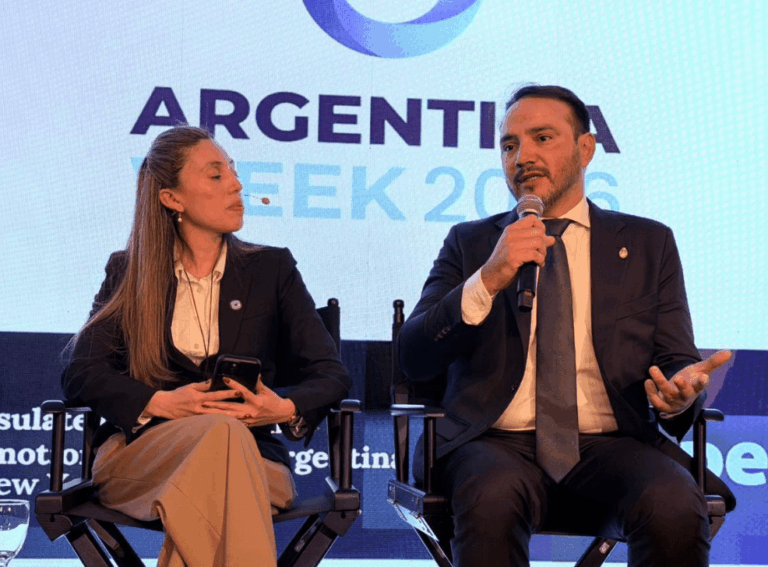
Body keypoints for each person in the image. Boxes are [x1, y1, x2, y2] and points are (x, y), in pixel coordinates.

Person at [398, 85, 735, 567]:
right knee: (491, 495)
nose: (523, 157)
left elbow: (673, 360)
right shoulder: (472, 244)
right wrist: (489, 278)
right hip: (492, 443)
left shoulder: (647, 242)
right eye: (510, 145)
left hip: (610, 444)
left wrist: (681, 394)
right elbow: (414, 356)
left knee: (675, 503)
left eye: (542, 138)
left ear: (585, 149)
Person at [62, 125, 350, 567]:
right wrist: (160, 402)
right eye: (215, 176)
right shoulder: (129, 273)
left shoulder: (271, 270)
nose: (236, 184)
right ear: (171, 198)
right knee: (219, 438)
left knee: (221, 444)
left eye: (233, 172)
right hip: (144, 463)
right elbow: (81, 373)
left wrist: (284, 409)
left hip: (256, 466)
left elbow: (331, 374)